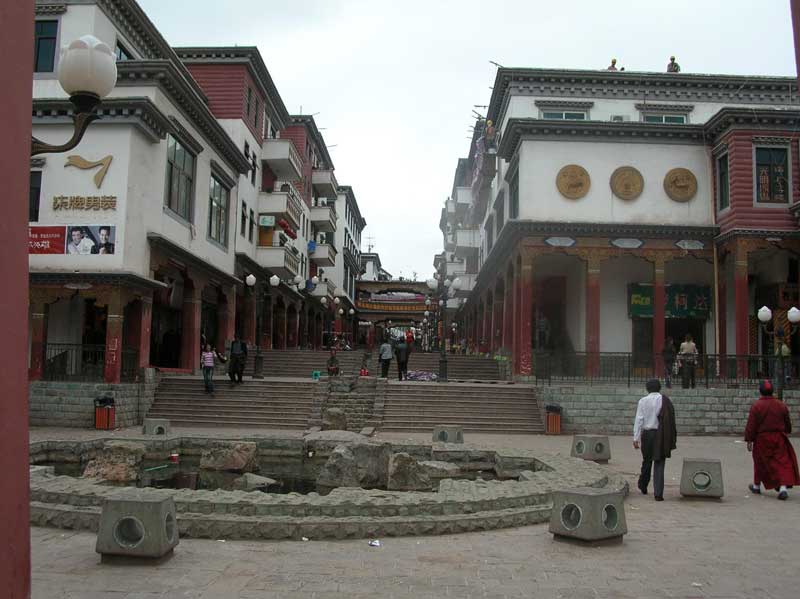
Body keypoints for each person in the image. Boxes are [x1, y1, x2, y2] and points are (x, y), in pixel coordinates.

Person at [744, 380, 800, 500]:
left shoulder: (757, 406)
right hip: (779, 438)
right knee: (782, 462)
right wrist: (787, 431)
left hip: (762, 439)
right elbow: (787, 423)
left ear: (760, 391)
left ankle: (756, 486)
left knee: (760, 462)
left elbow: (751, 425)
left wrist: (749, 439)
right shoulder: (781, 405)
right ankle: (783, 488)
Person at [634, 379, 677, 501]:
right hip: (661, 435)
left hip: (647, 434)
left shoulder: (642, 401)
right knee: (659, 463)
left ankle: (643, 485)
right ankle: (658, 493)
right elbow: (671, 420)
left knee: (647, 460)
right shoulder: (665, 401)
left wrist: (636, 438)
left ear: (647, 388)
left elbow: (639, 420)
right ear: (659, 388)